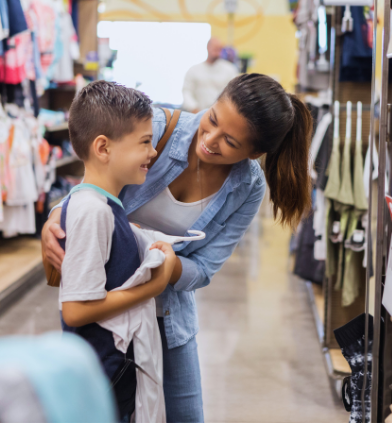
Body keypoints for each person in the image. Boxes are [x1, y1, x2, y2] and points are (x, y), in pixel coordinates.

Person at [43, 73, 313, 422]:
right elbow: (90, 185)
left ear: (255, 153)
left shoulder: (247, 187)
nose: (210, 140)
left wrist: (166, 268)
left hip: (168, 314)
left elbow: (204, 269)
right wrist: (54, 218)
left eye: (230, 141)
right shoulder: (152, 127)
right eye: (211, 119)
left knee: (184, 414)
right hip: (105, 309)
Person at [57, 81, 176, 422]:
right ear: (103, 148)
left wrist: (134, 238)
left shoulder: (106, 206)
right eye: (144, 142)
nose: (153, 153)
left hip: (112, 373)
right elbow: (76, 310)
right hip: (103, 377)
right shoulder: (92, 210)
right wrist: (153, 286)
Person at [182, 37, 239, 113]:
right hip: (197, 114)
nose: (217, 52)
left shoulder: (230, 70)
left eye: (219, 49)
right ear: (208, 47)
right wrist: (194, 109)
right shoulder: (194, 70)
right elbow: (187, 92)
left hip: (221, 115)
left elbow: (235, 93)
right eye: (214, 48)